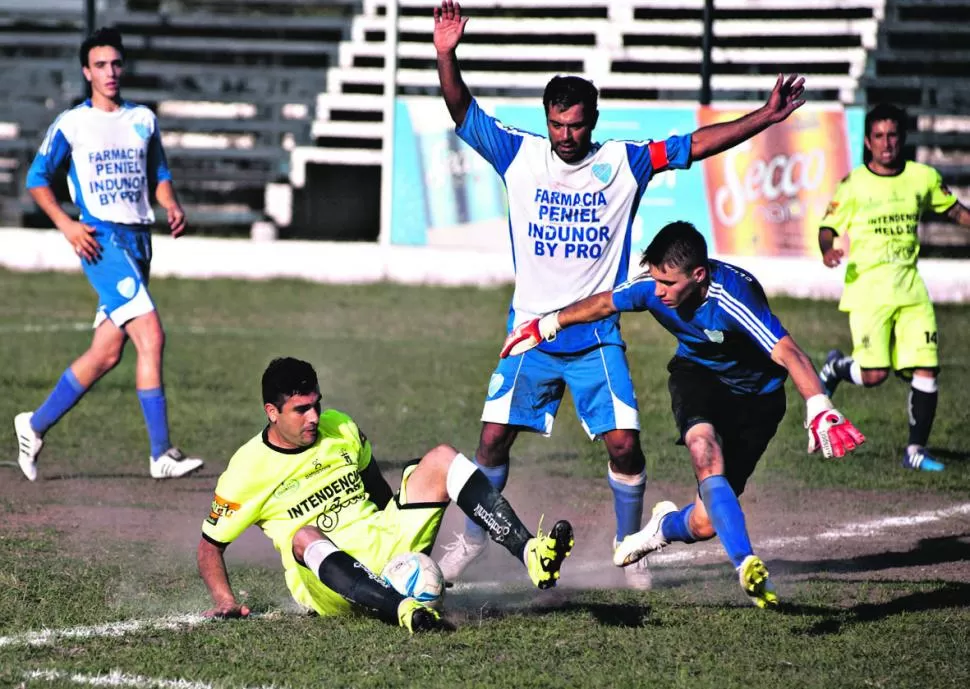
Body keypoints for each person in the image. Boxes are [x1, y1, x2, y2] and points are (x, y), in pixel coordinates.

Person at [431, 0, 806, 588]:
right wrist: (446, 55)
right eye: (557, 124)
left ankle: (630, 547)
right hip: (531, 329)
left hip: (597, 333)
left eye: (576, 124)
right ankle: (473, 539)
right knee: (492, 438)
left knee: (625, 446)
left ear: (594, 118)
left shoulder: (625, 163)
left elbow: (694, 146)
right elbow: (462, 111)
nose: (566, 135)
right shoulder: (519, 155)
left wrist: (764, 117)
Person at [501, 221, 865, 607]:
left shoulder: (733, 297)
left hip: (759, 400)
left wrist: (818, 404)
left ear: (699, 275)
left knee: (705, 523)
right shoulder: (653, 289)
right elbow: (606, 302)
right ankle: (745, 564)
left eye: (668, 283)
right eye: (655, 279)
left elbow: (788, 352)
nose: (658, 292)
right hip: (699, 378)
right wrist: (547, 324)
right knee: (703, 449)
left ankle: (661, 528)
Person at [197, 357, 574, 633]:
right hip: (328, 583)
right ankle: (402, 609)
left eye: (317, 404)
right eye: (301, 410)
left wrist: (406, 547)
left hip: (385, 542)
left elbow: (378, 491)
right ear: (271, 412)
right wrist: (225, 600)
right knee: (303, 534)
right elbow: (210, 545)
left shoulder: (340, 426)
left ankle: (530, 552)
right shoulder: (246, 468)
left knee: (441, 458)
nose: (314, 416)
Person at [13, 28, 202, 481]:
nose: (110, 72)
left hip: (139, 241)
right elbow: (37, 179)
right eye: (100, 65)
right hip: (101, 241)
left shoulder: (143, 119)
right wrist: (66, 225)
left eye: (116, 63)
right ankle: (160, 454)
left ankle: (33, 425)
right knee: (151, 336)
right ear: (86, 72)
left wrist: (170, 202)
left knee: (106, 353)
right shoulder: (72, 123)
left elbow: (158, 172)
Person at [817, 103, 970, 472]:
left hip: (911, 289)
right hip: (869, 290)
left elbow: (954, 211)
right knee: (874, 375)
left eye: (893, 136)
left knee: (927, 367)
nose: (887, 143)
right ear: (868, 142)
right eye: (879, 137)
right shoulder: (853, 184)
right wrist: (828, 249)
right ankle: (837, 367)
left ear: (902, 139)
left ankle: (915, 450)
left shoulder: (922, 178)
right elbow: (828, 226)